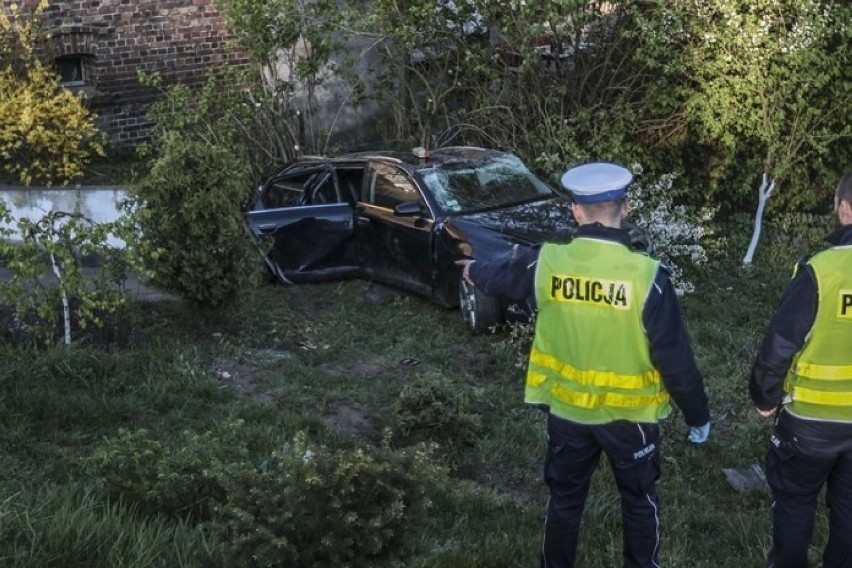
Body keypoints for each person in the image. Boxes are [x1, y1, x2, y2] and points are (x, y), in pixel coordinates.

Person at [456, 162, 710, 568]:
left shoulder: (548, 262)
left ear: (576, 211)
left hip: (568, 413)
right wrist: (698, 416)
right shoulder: (649, 277)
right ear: (624, 209)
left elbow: (501, 276)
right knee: (640, 503)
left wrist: (472, 270)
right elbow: (675, 359)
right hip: (632, 420)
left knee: (565, 502)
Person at [749, 173, 852, 568]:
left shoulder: (819, 271)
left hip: (808, 425)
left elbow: (778, 346)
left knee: (794, 503)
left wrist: (764, 397)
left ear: (843, 208)